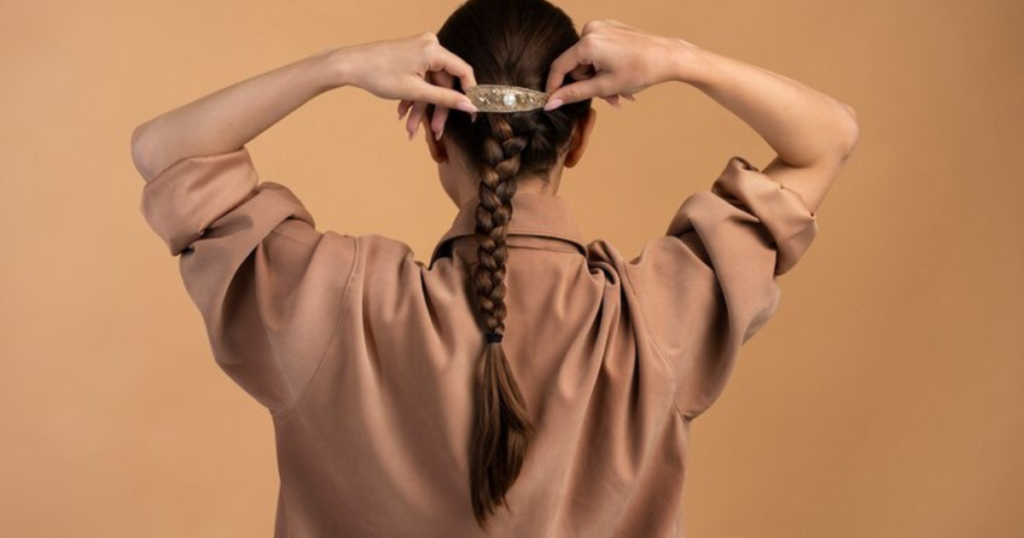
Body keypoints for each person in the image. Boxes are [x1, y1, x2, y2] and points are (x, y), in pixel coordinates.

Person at [130, 0, 858, 535]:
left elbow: (163, 153)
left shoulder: (333, 306)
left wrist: (340, 67)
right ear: (578, 140)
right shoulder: (656, 324)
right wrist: (681, 59)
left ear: (435, 134)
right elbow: (829, 138)